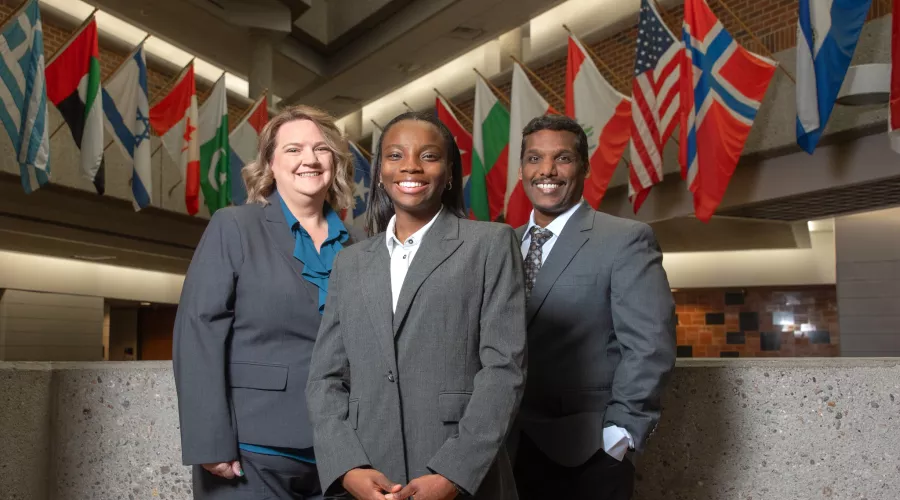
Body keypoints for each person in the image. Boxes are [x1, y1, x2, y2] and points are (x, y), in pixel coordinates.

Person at [306, 111, 527, 500]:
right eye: (395, 156)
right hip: (368, 470)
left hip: (456, 470)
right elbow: (326, 378)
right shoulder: (350, 262)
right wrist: (346, 466)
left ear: (450, 173)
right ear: (378, 173)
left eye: (428, 156)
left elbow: (504, 369)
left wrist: (454, 473)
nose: (410, 165)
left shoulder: (490, 244)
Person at [173, 105, 365, 499]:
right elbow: (198, 332)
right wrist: (209, 440)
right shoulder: (234, 226)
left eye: (321, 149)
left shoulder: (360, 246)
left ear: (336, 162)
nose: (309, 159)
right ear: (270, 164)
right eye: (293, 149)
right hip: (251, 449)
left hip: (343, 452)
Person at [509, 115, 676, 500]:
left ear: (583, 167)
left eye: (562, 158)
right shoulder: (503, 244)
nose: (547, 170)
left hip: (586, 454)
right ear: (521, 170)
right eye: (534, 159)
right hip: (506, 450)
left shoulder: (625, 239)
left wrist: (620, 436)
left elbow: (651, 345)